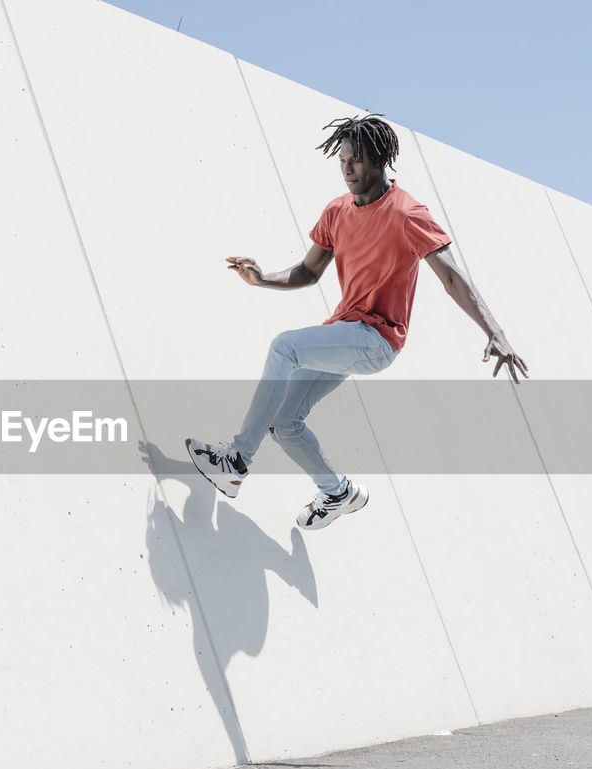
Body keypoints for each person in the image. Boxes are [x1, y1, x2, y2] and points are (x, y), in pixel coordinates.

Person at [186, 114, 528, 530]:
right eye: (343, 160)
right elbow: (308, 272)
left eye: (358, 160)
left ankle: (236, 459)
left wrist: (496, 332)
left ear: (381, 159)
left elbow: (453, 278)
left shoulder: (407, 214)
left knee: (284, 346)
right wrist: (261, 280)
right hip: (344, 333)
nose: (348, 169)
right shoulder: (337, 211)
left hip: (377, 340)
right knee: (283, 422)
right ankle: (338, 491)